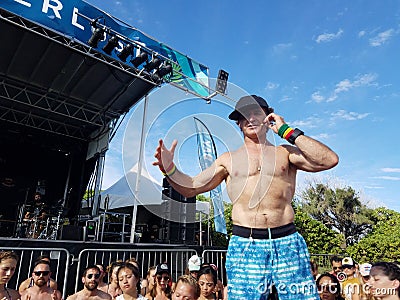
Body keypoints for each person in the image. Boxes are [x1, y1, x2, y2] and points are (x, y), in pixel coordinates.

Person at [153, 94, 339, 299]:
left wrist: (286, 131)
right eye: (245, 115)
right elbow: (192, 186)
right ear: (239, 123)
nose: (251, 118)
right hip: (246, 243)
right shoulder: (228, 160)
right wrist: (170, 169)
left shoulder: (285, 153)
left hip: (287, 241)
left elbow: (328, 160)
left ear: (268, 119)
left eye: (257, 113)